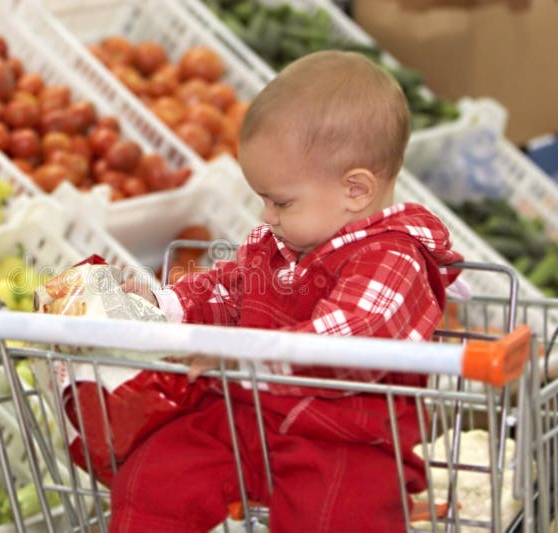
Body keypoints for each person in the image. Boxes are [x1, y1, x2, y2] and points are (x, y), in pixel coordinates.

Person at [113, 50, 464, 532]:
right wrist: (161, 306)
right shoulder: (280, 243)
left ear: (355, 191)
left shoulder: (393, 258)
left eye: (279, 201)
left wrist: (245, 358)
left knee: (336, 516)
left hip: (345, 439)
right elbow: (228, 289)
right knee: (157, 472)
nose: (265, 216)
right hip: (249, 413)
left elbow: (349, 338)